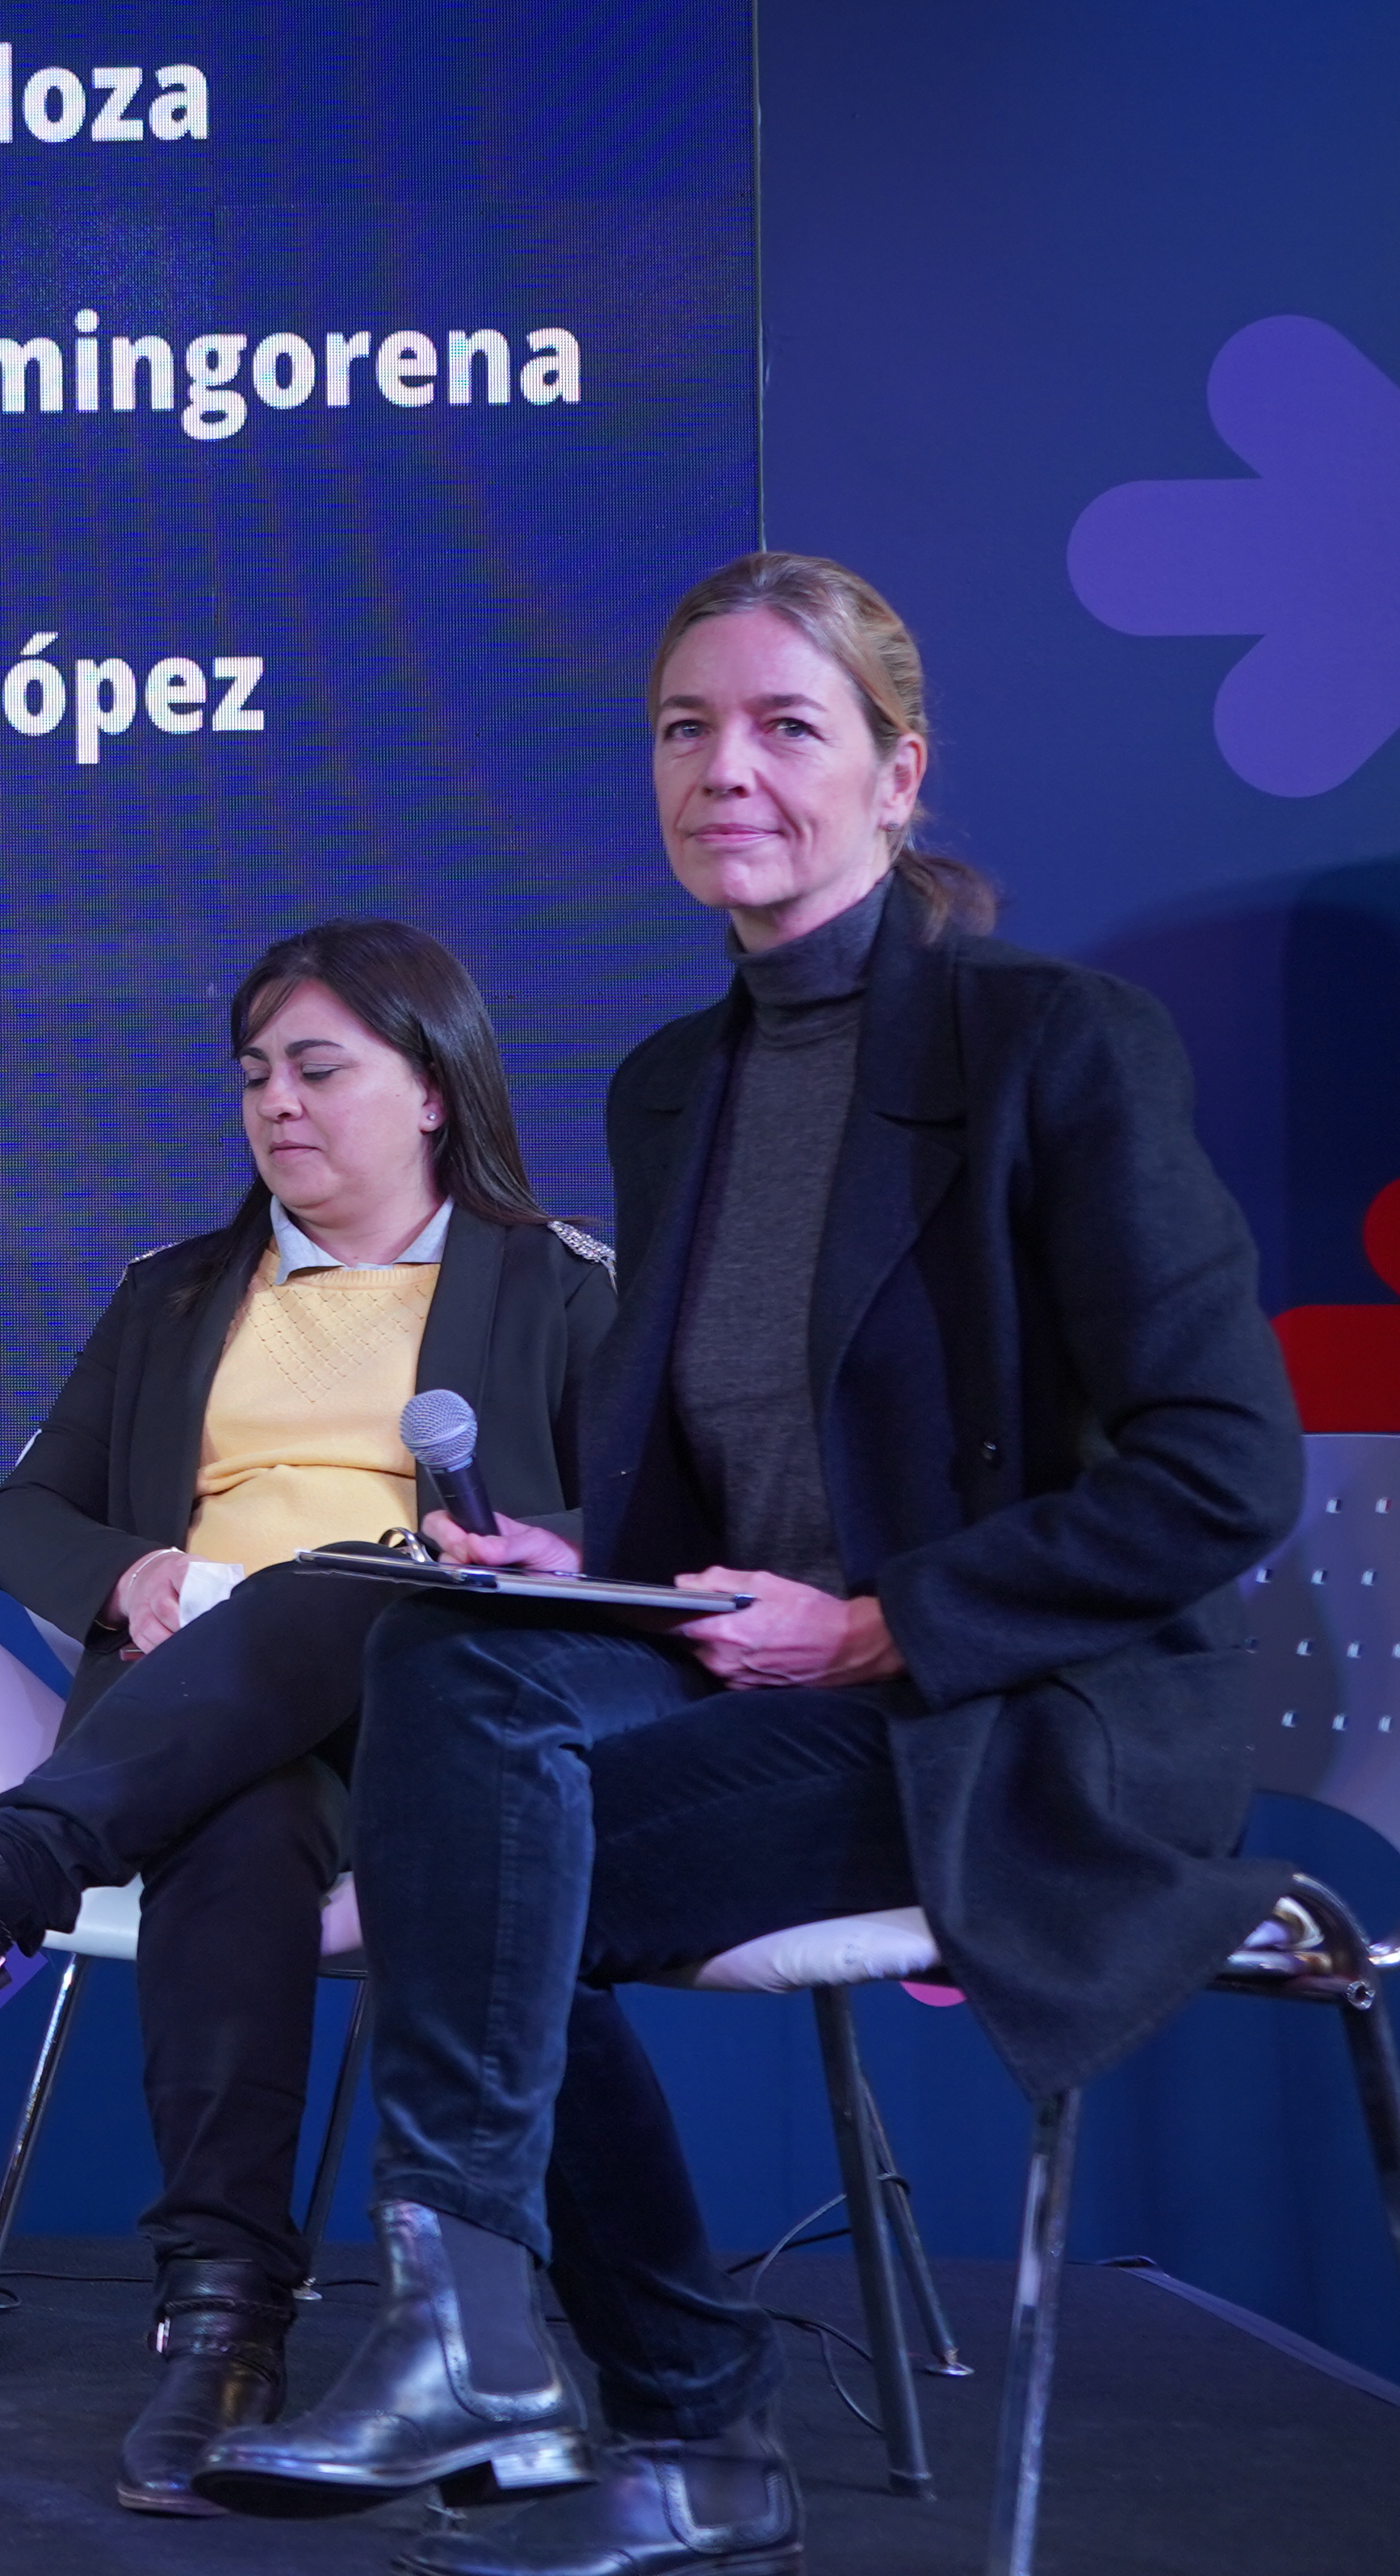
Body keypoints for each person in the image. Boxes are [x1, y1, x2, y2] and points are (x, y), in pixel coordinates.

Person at [191, 556, 1301, 2574]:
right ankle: (500, 2345)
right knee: (450, 1670)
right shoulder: (674, 1082)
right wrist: (598, 1565)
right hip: (766, 1680)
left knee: (463, 1867)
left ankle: (651, 2407)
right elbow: (737, 1476)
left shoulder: (1057, 1043)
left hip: (1010, 1712)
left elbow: (1223, 1472)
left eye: (789, 725)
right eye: (687, 728)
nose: (729, 769)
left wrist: (884, 1620)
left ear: (899, 772)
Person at [0, 918, 616, 2515]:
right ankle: (223, 2323)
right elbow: (28, 1512)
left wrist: (474, 1560)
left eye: (320, 1069)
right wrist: (131, 1573)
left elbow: (632, 1527)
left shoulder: (559, 1287)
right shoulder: (173, 1296)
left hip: (432, 1717)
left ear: (434, 1087)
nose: (278, 1103)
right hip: (199, 1722)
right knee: (237, 1812)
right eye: (254, 1074)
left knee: (347, 1586)